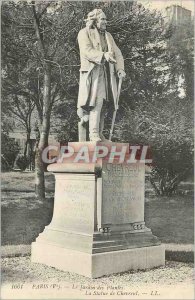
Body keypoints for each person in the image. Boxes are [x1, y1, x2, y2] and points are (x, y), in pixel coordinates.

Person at [77, 8, 126, 142]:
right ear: (95, 20)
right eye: (102, 19)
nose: (105, 21)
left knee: (104, 103)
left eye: (105, 19)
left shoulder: (108, 36)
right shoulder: (84, 33)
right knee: (96, 102)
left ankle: (99, 132)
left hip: (107, 74)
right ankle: (93, 133)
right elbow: (87, 51)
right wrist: (103, 55)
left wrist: (120, 69)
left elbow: (117, 53)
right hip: (92, 74)